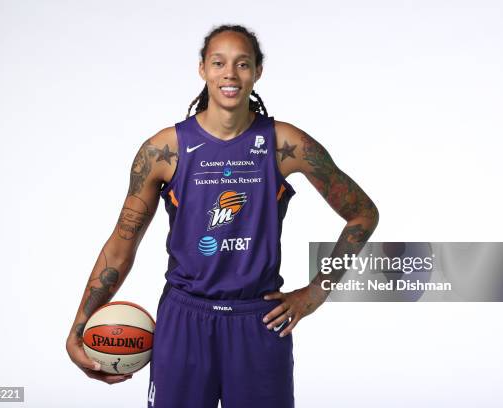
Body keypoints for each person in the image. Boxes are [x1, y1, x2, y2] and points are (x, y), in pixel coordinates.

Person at [65, 24, 379, 408]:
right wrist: (80, 326)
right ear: (203, 69)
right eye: (219, 62)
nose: (230, 73)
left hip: (259, 321)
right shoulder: (164, 150)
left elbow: (362, 214)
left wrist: (315, 292)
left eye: (242, 64)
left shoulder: (284, 143)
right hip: (184, 320)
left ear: (258, 71)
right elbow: (120, 246)